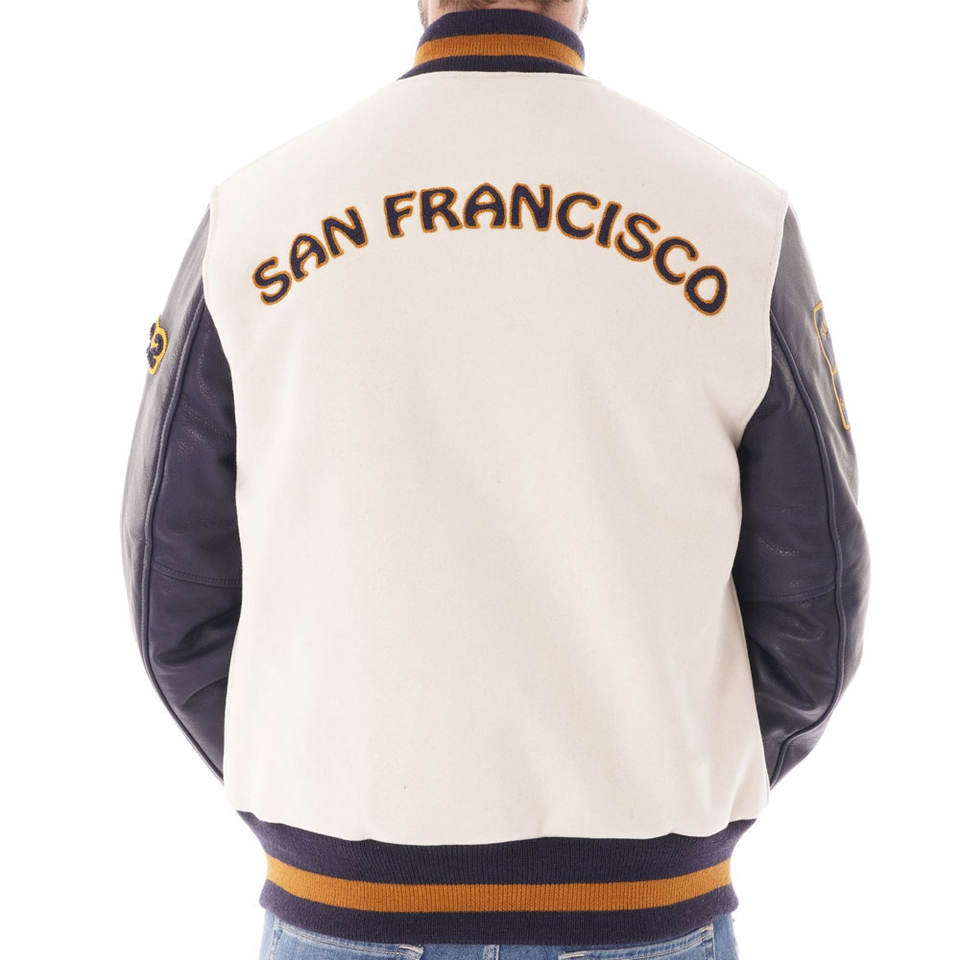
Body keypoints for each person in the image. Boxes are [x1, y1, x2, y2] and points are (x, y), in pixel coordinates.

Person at [120, 2, 871, 959]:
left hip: (340, 905)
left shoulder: (255, 216)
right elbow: (817, 595)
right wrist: (675, 781)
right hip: (645, 909)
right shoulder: (737, 218)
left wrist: (316, 785)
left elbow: (172, 587)